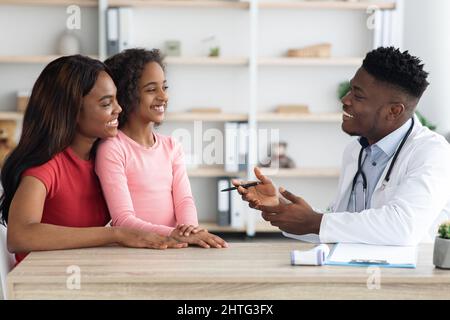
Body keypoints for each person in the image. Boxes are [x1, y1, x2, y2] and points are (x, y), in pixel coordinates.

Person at [234, 47, 450, 246]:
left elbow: (403, 228)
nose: (345, 100)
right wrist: (280, 208)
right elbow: (343, 224)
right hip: (355, 271)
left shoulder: (431, 153)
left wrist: (315, 222)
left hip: (410, 280)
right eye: (349, 90)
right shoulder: (355, 151)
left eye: (358, 95)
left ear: (393, 111)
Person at [0, 55, 187, 264]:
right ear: (73, 111)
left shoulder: (102, 159)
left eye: (116, 99)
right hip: (44, 284)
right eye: (106, 103)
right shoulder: (47, 167)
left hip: (84, 274)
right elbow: (19, 236)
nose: (119, 109)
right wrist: (115, 234)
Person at [97, 48, 227, 249]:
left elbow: (184, 200)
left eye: (164, 87)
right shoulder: (112, 148)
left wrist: (191, 231)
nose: (163, 96)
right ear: (126, 95)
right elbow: (123, 220)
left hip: (174, 249)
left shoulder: (172, 146)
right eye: (151, 90)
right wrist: (175, 234)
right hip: (136, 251)